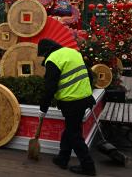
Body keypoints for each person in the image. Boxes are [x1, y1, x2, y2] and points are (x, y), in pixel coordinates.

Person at [37, 39, 96, 176]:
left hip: (71, 101)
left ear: (46, 51)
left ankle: (88, 166)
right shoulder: (73, 52)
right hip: (84, 97)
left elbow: (49, 87)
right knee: (71, 129)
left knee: (74, 134)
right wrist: (87, 92)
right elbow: (88, 74)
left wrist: (43, 108)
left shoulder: (53, 59)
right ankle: (62, 158)